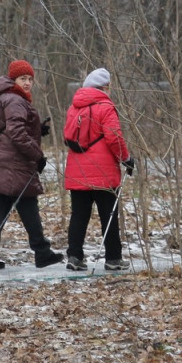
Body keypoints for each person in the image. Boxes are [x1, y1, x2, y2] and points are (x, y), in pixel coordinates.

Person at [0, 59, 64, 270]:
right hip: (14, 165)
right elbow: (16, 133)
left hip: (1, 162)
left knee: (1, 210)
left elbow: (9, 128)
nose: (27, 83)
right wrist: (38, 155)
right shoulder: (15, 100)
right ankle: (42, 253)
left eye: (30, 79)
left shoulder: (3, 97)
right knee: (27, 206)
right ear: (13, 79)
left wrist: (36, 130)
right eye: (23, 78)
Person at [62, 68, 136, 271]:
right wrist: (126, 158)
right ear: (105, 87)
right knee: (108, 214)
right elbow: (114, 137)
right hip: (103, 172)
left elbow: (67, 137)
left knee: (79, 215)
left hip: (77, 171)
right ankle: (113, 258)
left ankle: (74, 257)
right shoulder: (106, 107)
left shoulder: (74, 107)